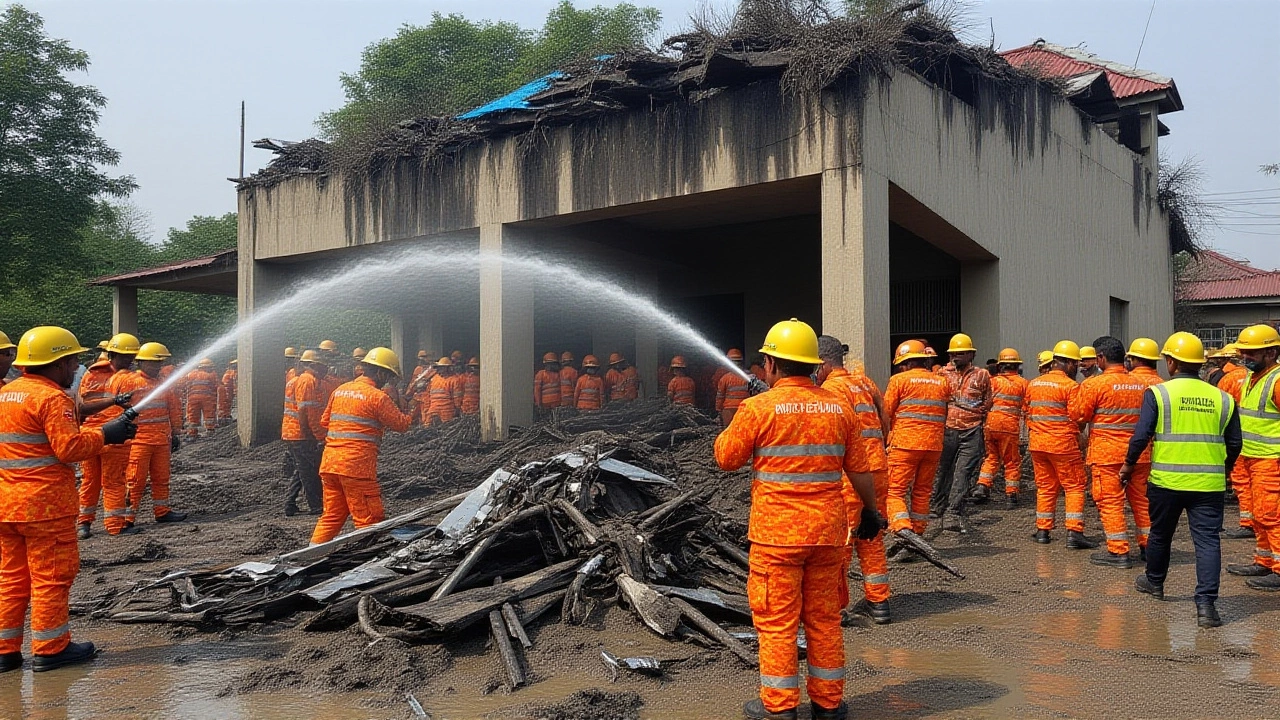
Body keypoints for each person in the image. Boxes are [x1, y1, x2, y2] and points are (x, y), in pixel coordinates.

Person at [714, 319, 881, 720]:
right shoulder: (838, 407)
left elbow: (725, 457)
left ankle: (781, 708)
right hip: (827, 534)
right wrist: (871, 511)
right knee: (824, 619)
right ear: (812, 365)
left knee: (777, 624)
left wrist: (738, 418)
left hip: (776, 539)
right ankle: (828, 705)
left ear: (770, 364)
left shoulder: (757, 408)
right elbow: (860, 468)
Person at [0, 326, 135, 673]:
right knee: (51, 576)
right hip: (44, 507)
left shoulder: (7, 393)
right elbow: (68, 449)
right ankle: (50, 648)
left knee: (11, 579)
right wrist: (107, 433)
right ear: (57, 363)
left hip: (6, 506)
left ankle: (5, 650)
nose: (76, 367)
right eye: (73, 360)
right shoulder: (51, 398)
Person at [1125, 332, 1240, 626]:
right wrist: (1223, 469)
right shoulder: (1224, 398)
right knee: (1207, 542)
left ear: (1172, 362)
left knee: (1161, 534)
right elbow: (1235, 443)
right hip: (1208, 485)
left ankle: (1155, 582)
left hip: (1167, 482)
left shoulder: (1159, 394)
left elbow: (1141, 436)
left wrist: (1128, 465)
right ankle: (1206, 607)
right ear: (1199, 364)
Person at [817, 335, 892, 625]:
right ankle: (880, 602)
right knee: (871, 534)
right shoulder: (865, 382)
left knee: (842, 541)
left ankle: (835, 608)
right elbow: (885, 421)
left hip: (852, 474)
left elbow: (829, 436)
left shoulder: (830, 389)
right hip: (878, 470)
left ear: (823, 363)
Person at [310, 348, 414, 545]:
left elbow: (325, 421)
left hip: (330, 465)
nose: (387, 381)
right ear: (381, 373)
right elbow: (401, 425)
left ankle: (308, 559)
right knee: (369, 520)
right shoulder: (377, 397)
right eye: (389, 376)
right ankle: (367, 565)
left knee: (331, 517)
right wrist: (412, 409)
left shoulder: (340, 390)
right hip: (357, 469)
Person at [1070, 337, 1158, 569]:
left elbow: (1079, 415)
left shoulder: (1093, 385)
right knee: (1141, 501)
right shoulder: (1142, 384)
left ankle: (1118, 552)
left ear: (1101, 358)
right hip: (1139, 454)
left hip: (1107, 456)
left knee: (1110, 502)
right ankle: (1148, 548)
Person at [1225, 324, 1280, 590]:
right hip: (1252, 458)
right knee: (1259, 513)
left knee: (1272, 514)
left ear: (1271, 352)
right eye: (1243, 353)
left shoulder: (1277, 380)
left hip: (1271, 460)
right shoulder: (1253, 378)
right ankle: (1264, 561)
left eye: (1252, 353)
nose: (1245, 358)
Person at [1027, 341, 1095, 548]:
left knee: (1046, 487)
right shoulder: (1071, 386)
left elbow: (1027, 411)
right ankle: (1074, 532)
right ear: (1067, 363)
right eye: (1075, 363)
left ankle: (1042, 531)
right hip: (1063, 445)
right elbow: (1078, 416)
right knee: (1074, 486)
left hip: (1038, 444)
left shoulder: (1034, 383)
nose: (1077, 367)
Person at [113, 342, 187, 526]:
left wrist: (176, 432)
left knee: (161, 477)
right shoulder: (130, 381)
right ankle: (128, 518)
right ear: (141, 362)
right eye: (153, 362)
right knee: (135, 480)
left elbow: (173, 407)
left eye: (159, 362)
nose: (157, 366)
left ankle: (162, 511)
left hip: (162, 439)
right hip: (139, 440)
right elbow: (117, 410)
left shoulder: (163, 383)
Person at [883, 340, 950, 540]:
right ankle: (918, 533)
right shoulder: (941, 381)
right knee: (922, 490)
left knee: (894, 492)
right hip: (933, 446)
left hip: (905, 444)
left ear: (908, 363)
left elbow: (886, 413)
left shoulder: (899, 380)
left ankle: (903, 530)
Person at [75, 333, 140, 539]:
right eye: (124, 357)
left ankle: (83, 523)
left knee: (90, 481)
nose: (129, 361)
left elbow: (84, 405)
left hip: (91, 434)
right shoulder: (127, 379)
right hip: (113, 435)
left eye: (132, 358)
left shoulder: (91, 375)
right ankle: (115, 525)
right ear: (111, 354)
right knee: (112, 481)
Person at [929, 333, 992, 535]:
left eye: (961, 353)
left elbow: (988, 399)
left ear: (971, 355)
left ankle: (953, 511)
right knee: (943, 469)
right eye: (953, 354)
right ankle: (936, 508)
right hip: (947, 429)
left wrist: (980, 411)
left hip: (971, 429)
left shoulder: (981, 375)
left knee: (963, 472)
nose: (956, 357)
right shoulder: (942, 375)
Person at [975, 348, 1029, 508]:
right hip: (1009, 426)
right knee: (1011, 461)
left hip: (991, 425)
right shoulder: (1023, 384)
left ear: (1001, 366)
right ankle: (1011, 495)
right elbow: (1027, 408)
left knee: (991, 457)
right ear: (1016, 366)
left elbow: (985, 402)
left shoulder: (993, 382)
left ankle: (982, 485)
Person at [282, 350, 330, 517]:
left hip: (294, 432)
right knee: (309, 471)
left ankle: (290, 503)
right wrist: (311, 434)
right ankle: (315, 505)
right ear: (315, 365)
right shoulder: (306, 381)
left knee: (301, 469)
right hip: (300, 434)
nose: (326, 370)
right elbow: (305, 411)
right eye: (323, 366)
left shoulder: (300, 380)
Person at [182, 359, 219, 439]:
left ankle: (192, 434)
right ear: (206, 367)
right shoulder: (210, 375)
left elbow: (185, 386)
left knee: (192, 415)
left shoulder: (190, 374)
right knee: (209, 415)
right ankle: (210, 431)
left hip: (192, 399)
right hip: (207, 399)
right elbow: (215, 387)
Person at [717, 349, 751, 427]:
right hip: (745, 409)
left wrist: (718, 410)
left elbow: (720, 396)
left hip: (728, 411)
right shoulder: (750, 377)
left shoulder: (725, 378)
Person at [422, 357, 459, 426]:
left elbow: (457, 399)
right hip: (437, 410)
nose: (440, 370)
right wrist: (426, 410)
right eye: (440, 368)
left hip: (445, 411)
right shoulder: (434, 379)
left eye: (442, 368)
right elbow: (428, 396)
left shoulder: (453, 380)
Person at [217, 359, 237, 425]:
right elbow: (231, 384)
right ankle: (223, 417)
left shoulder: (231, 372)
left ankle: (225, 416)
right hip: (226, 390)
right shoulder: (231, 373)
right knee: (225, 404)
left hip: (228, 390)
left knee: (226, 404)